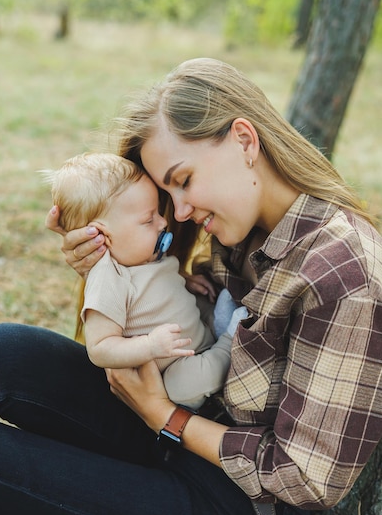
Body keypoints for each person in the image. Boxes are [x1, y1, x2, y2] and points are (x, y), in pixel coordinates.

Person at [0, 57, 382, 515]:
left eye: (183, 181)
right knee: (3, 350)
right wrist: (105, 263)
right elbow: (169, 303)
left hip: (232, 513)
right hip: (168, 415)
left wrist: (165, 417)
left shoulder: (349, 280)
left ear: (245, 141)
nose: (178, 212)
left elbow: (305, 477)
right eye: (167, 193)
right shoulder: (244, 225)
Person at [44, 151, 245, 409]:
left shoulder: (143, 256)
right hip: (172, 369)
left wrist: (186, 280)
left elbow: (158, 281)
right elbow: (99, 348)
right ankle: (229, 341)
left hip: (192, 332)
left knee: (202, 301)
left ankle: (217, 321)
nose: (162, 222)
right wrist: (150, 346)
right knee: (183, 385)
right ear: (102, 235)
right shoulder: (108, 277)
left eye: (158, 213)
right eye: (149, 219)